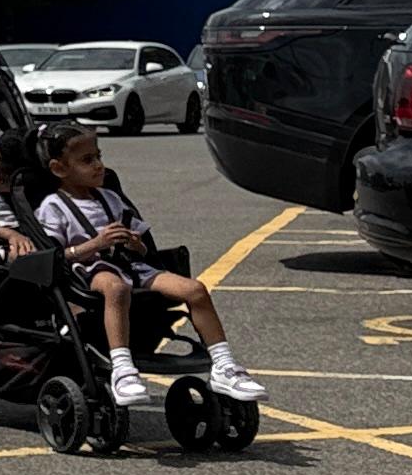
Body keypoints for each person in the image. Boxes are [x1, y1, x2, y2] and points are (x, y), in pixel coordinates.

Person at [26, 127, 264, 409]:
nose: (99, 165)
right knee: (116, 287)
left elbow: (143, 248)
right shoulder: (53, 207)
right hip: (88, 269)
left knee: (195, 290)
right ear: (59, 168)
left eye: (99, 157)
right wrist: (97, 243)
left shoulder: (110, 199)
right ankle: (123, 368)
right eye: (87, 160)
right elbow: (57, 255)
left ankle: (224, 365)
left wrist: (135, 244)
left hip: (130, 263)